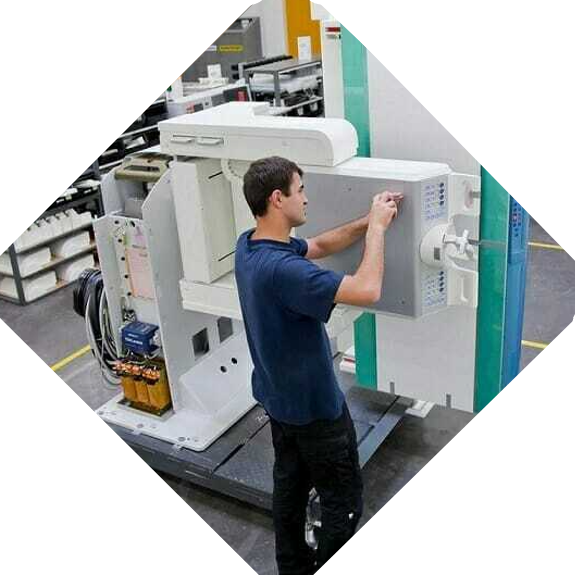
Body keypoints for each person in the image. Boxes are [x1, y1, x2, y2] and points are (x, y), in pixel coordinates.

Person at [234, 156, 402, 575]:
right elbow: (367, 289)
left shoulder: (250, 245)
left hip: (279, 403)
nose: (307, 198)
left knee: (288, 490)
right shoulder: (285, 272)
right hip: (316, 413)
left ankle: (292, 568)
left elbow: (321, 245)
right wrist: (379, 231)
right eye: (301, 189)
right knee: (342, 502)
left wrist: (368, 219)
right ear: (278, 198)